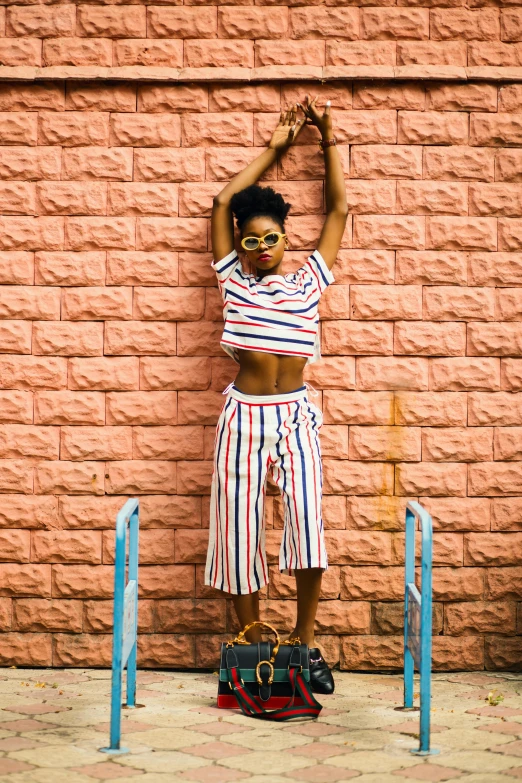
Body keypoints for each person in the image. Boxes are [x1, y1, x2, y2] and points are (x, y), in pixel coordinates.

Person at [204, 94, 348, 694]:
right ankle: (254, 642)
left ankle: (308, 642)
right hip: (243, 417)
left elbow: (340, 208)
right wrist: (275, 150)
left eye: (271, 239)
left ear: (287, 239)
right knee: (238, 529)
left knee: (307, 525)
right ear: (239, 244)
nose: (260, 248)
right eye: (250, 240)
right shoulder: (233, 278)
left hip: (295, 415)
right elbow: (220, 203)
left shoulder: (309, 279)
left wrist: (329, 136)